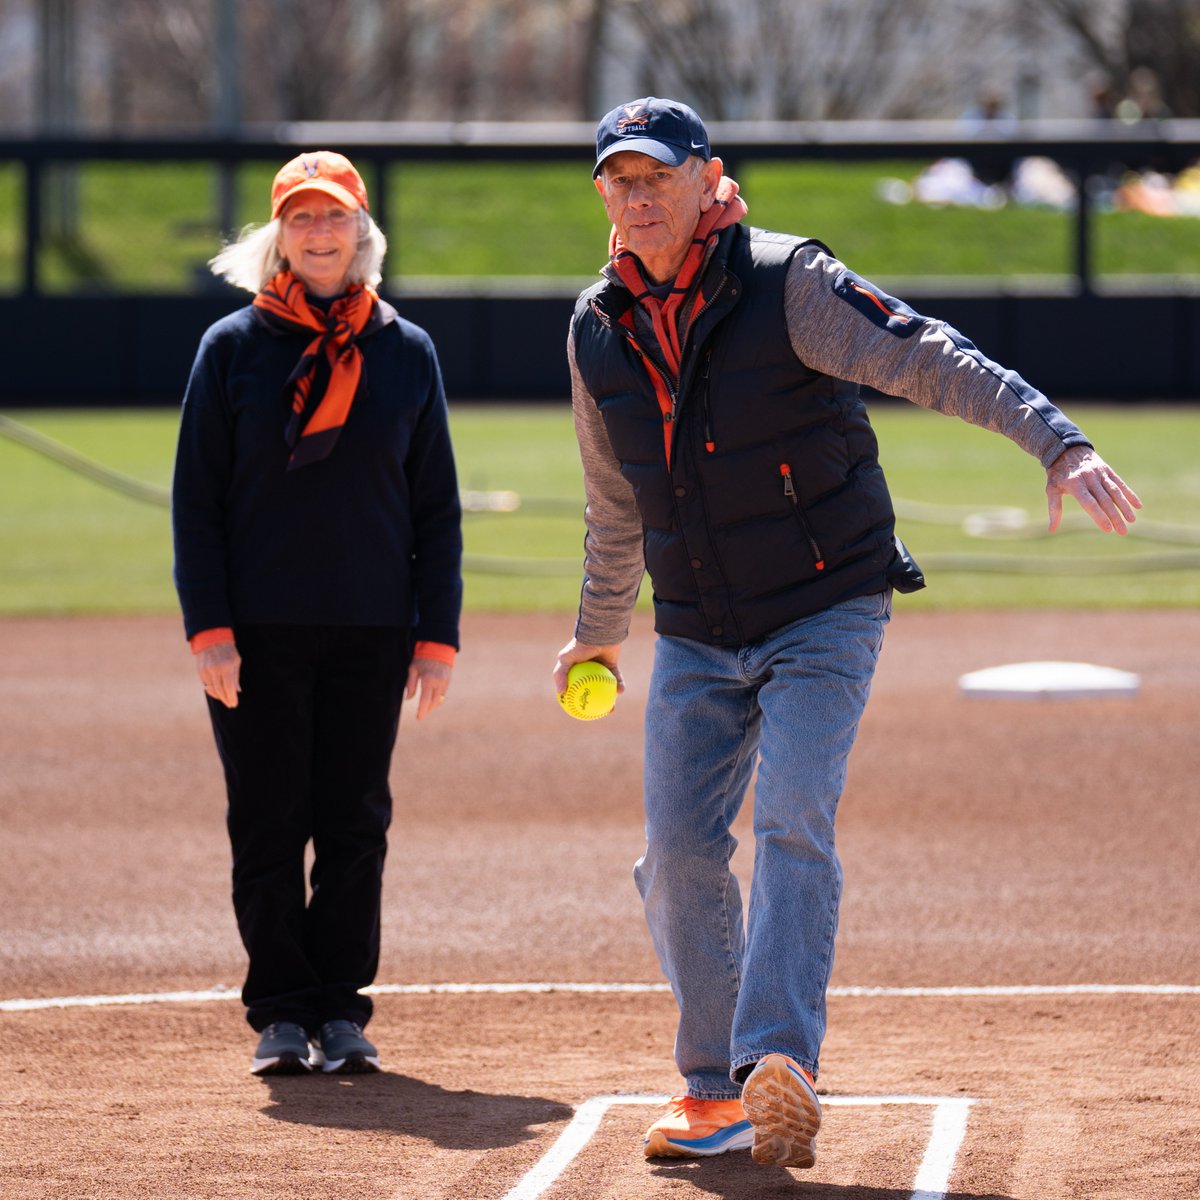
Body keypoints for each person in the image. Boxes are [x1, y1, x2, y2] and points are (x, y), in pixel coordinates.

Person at [553, 98, 1141, 1169]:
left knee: (791, 817)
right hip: (695, 624)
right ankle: (711, 1086)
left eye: (655, 177)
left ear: (707, 178)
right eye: (618, 182)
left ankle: (776, 1061)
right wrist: (597, 633)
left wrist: (1055, 442)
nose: (636, 199)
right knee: (676, 853)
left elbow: (932, 357)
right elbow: (615, 502)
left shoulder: (790, 287)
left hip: (826, 602)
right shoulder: (598, 326)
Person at [172, 151, 463, 1077]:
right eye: (300, 219)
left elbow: (435, 508)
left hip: (372, 627)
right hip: (256, 633)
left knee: (353, 823)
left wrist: (437, 634)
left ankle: (341, 1008)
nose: (319, 233)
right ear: (278, 237)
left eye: (333, 217)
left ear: (362, 232)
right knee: (266, 820)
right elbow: (196, 504)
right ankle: (280, 1012)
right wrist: (209, 628)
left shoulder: (406, 351)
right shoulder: (230, 349)